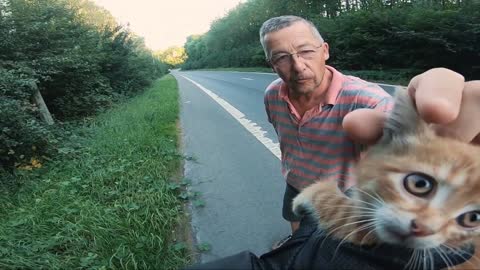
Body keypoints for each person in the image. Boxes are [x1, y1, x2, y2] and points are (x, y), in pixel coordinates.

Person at [259, 15, 480, 247]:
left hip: (345, 192)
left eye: (306, 51)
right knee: (296, 224)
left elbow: (411, 151)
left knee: (332, 249)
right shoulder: (272, 94)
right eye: (282, 57)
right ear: (271, 64)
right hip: (294, 180)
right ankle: (294, 248)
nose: (297, 66)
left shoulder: (368, 100)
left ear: (325, 51)